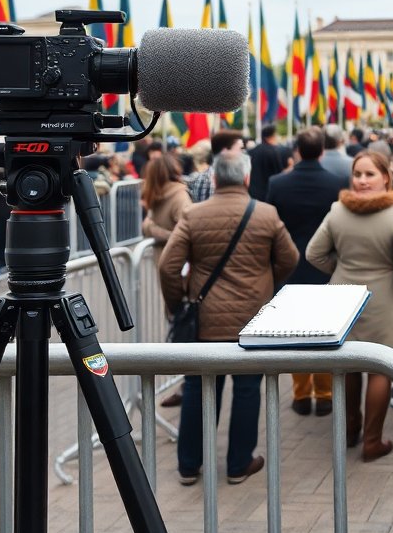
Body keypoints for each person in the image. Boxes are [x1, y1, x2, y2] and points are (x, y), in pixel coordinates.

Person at [160, 152, 297, 486]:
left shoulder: (193, 214)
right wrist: (267, 283)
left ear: (215, 178)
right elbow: (290, 258)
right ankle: (238, 464)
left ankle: (189, 466)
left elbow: (168, 266)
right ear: (247, 178)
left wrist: (178, 303)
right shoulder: (266, 214)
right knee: (248, 389)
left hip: (205, 320)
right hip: (253, 320)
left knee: (198, 388)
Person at [306, 151, 393, 462]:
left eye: (369, 174)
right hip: (386, 301)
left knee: (349, 365)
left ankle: (349, 431)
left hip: (344, 299)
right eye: (357, 174)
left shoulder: (338, 211)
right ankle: (372, 441)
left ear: (385, 177)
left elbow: (314, 254)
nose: (362, 180)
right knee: (379, 368)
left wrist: (341, 270)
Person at [267, 128, 348, 417]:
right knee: (325, 332)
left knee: (295, 333)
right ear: (322, 151)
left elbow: (273, 225)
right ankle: (324, 394)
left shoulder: (277, 183)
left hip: (290, 266)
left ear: (297, 151)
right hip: (324, 265)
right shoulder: (337, 183)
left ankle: (301, 394)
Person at [140, 154, 192, 269]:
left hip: (177, 265)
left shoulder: (179, 197)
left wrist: (151, 228)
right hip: (165, 262)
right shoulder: (157, 196)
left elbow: (186, 236)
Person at [248, 125, 289, 200]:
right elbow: (279, 174)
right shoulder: (273, 152)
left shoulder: (251, 151)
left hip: (252, 194)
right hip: (267, 193)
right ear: (271, 136)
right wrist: (290, 168)